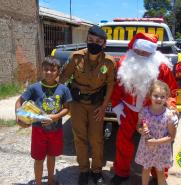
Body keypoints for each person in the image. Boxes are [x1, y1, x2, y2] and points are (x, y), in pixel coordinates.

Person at [110, 32, 178, 185]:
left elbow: (171, 90)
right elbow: (118, 87)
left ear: (152, 51)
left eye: (146, 51)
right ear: (133, 48)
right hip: (128, 110)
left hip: (152, 112)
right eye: (138, 50)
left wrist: (171, 106)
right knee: (123, 141)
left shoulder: (161, 66)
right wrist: (116, 105)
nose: (141, 54)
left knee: (156, 142)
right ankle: (121, 172)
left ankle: (158, 174)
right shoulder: (123, 63)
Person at [59, 25, 116, 185]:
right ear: (86, 40)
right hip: (77, 104)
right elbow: (63, 79)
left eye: (98, 41)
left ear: (104, 44)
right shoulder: (76, 57)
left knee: (97, 139)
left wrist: (104, 106)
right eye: (90, 40)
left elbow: (110, 85)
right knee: (79, 138)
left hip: (96, 105)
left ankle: (97, 170)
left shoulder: (109, 62)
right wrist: (59, 99)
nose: (94, 43)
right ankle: (84, 170)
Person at [15, 57, 72, 185]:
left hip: (56, 131)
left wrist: (55, 117)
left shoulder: (64, 89)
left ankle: (51, 180)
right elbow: (19, 102)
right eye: (46, 69)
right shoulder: (34, 88)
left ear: (58, 72)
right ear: (42, 70)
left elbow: (67, 109)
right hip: (38, 131)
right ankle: (39, 182)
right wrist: (18, 116)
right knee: (39, 159)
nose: (49, 72)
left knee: (52, 157)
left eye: (53, 70)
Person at [135, 80, 177, 185]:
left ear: (167, 97)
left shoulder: (169, 116)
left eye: (162, 97)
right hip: (146, 148)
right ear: (150, 95)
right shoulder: (144, 111)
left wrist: (155, 142)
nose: (159, 99)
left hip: (161, 149)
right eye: (156, 95)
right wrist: (141, 130)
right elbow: (138, 125)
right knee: (146, 169)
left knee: (160, 171)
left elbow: (171, 137)